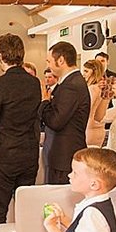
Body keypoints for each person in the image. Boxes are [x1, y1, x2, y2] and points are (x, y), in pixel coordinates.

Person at [0, 33, 44, 229]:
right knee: (24, 208)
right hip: (28, 154)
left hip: (5, 155)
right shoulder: (34, 83)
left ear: (1, 56)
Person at [41, 41, 91, 185]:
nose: (48, 66)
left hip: (64, 155)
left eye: (49, 61)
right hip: (62, 154)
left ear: (61, 60)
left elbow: (56, 121)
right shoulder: (70, 82)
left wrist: (45, 103)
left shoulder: (71, 85)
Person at [83, 60, 111, 146]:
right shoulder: (104, 90)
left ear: (94, 72)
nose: (83, 74)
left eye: (86, 71)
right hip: (99, 128)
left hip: (88, 129)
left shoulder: (92, 89)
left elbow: (86, 109)